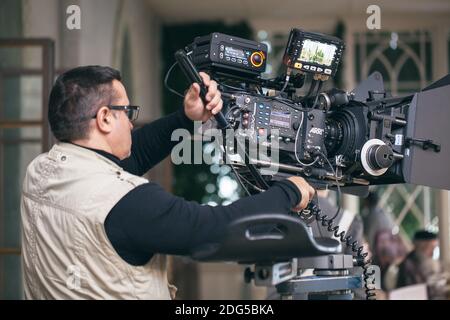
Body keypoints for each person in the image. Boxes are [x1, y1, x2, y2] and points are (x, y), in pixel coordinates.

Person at [20, 66, 315, 299]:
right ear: (105, 118)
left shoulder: (42, 172)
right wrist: (289, 192)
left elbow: (124, 159)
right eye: (128, 112)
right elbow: (213, 231)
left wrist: (186, 119)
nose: (132, 123)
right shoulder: (124, 203)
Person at [396, 230, 447, 299]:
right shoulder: (408, 265)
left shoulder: (430, 263)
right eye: (430, 247)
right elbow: (414, 291)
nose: (432, 252)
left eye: (434, 248)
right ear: (420, 247)